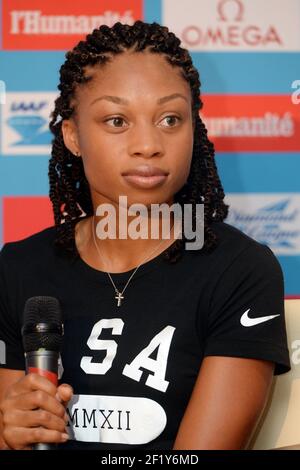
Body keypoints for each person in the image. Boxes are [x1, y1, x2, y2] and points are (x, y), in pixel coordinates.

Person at [0, 20, 290, 450]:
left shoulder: (241, 271)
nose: (148, 144)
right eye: (117, 120)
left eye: (170, 118)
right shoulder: (19, 267)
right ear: (73, 135)